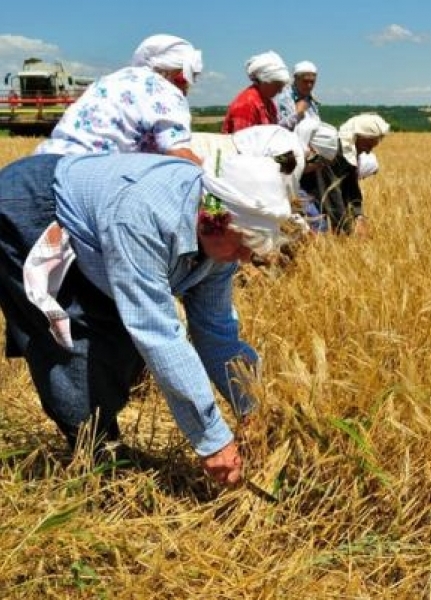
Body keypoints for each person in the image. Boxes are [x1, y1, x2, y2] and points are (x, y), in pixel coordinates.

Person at [0, 150, 305, 487]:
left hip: (101, 222)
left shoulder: (220, 240)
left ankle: (102, 442)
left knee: (122, 348)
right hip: (30, 207)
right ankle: (98, 465)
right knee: (77, 343)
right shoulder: (142, 218)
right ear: (212, 218)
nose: (247, 258)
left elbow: (216, 333)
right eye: (244, 243)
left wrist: (250, 406)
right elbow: (157, 333)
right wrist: (213, 439)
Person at [34, 34, 203, 164]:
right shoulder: (166, 91)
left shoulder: (109, 80)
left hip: (36, 164)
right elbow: (179, 154)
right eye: (191, 77)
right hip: (79, 176)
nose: (189, 86)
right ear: (179, 74)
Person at [297, 113, 389, 235]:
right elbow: (331, 193)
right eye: (367, 146)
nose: (368, 152)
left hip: (311, 195)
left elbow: (351, 187)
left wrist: (358, 215)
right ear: (357, 137)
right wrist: (345, 230)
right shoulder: (334, 151)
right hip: (300, 192)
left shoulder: (350, 153)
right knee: (319, 227)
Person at [222, 51, 290, 134]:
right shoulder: (247, 105)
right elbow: (242, 143)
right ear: (264, 81)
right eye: (277, 85)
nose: (280, 91)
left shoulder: (268, 103)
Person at [277, 60, 320, 131]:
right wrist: (297, 114)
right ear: (296, 79)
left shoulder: (311, 99)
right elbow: (279, 127)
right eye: (305, 81)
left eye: (312, 82)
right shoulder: (284, 98)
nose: (309, 85)